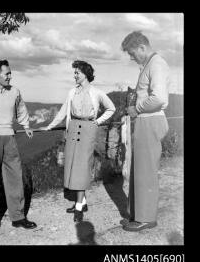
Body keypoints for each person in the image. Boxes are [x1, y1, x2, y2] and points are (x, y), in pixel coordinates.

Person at [40, 60, 115, 222]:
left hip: (88, 129)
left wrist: (97, 122)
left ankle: (79, 207)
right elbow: (62, 112)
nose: (74, 75)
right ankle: (82, 201)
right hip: (73, 128)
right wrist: (50, 126)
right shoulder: (72, 92)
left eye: (77, 73)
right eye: (74, 72)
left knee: (82, 167)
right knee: (73, 166)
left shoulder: (97, 92)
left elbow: (111, 108)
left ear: (86, 74)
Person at [0, 59, 37, 231]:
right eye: (7, 73)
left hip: (9, 136)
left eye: (10, 73)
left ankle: (18, 217)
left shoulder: (15, 91)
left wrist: (26, 126)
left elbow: (21, 110)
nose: (10, 76)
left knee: (15, 176)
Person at [120, 31, 169, 231]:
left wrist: (136, 109)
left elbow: (159, 98)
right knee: (138, 170)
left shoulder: (156, 64)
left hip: (151, 121)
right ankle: (137, 214)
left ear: (142, 47)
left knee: (146, 172)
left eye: (132, 53)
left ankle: (147, 218)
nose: (131, 58)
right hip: (144, 121)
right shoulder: (148, 65)